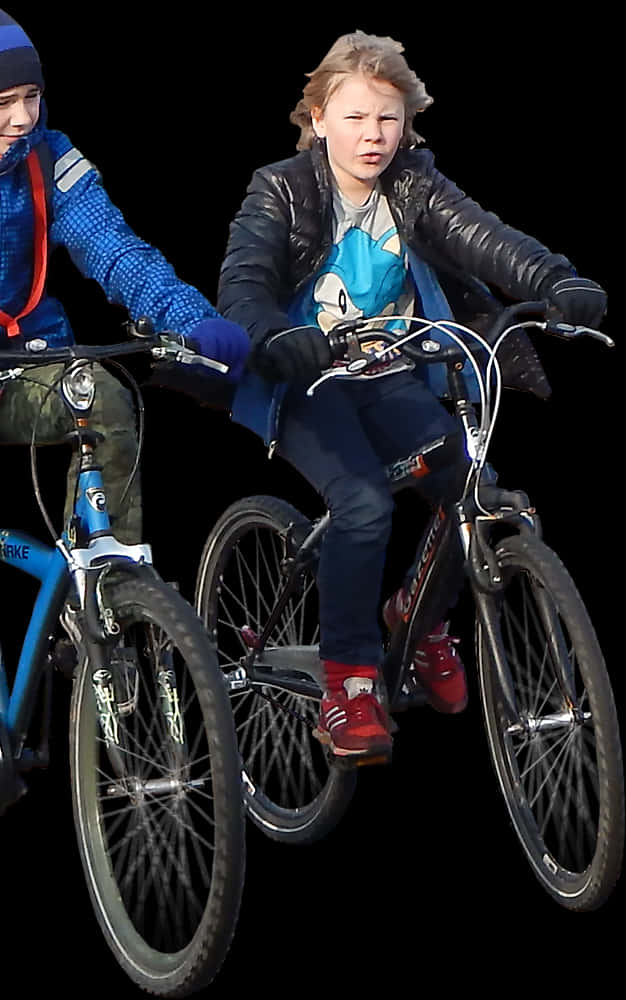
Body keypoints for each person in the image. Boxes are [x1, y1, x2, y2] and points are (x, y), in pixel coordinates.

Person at [0, 3, 248, 916]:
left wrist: (191, 320)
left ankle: (110, 591)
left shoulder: (48, 156)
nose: (24, 116)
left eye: (33, 96)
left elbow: (110, 242)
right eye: (5, 102)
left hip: (21, 363)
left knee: (107, 396)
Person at [218, 31, 606, 761]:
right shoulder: (281, 187)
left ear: (408, 124)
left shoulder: (415, 183)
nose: (373, 135)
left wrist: (556, 279)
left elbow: (486, 239)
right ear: (319, 117)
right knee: (361, 505)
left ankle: (419, 617)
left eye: (388, 119)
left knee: (475, 490)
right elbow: (243, 283)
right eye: (357, 116)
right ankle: (350, 683)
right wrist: (274, 335)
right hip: (308, 381)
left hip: (394, 372)